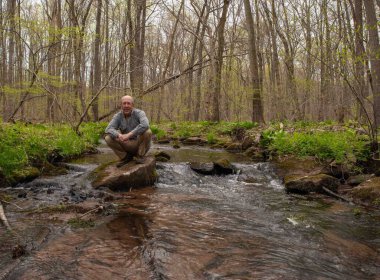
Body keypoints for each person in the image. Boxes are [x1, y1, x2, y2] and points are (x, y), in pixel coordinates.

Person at [105, 95, 152, 167]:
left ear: (132, 105)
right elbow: (108, 129)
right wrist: (119, 135)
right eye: (124, 103)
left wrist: (129, 135)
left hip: (139, 144)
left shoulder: (140, 113)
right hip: (126, 144)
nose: (126, 106)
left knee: (148, 132)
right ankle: (125, 157)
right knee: (108, 138)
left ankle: (140, 156)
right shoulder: (117, 116)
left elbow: (145, 125)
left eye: (128, 103)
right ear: (121, 105)